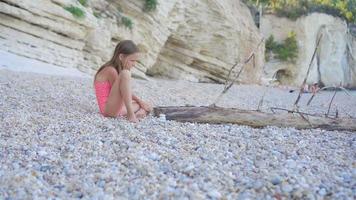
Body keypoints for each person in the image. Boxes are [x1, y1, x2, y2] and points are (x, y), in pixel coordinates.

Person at [94, 40, 152, 122]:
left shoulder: (117, 69)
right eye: (132, 60)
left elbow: (124, 92)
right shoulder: (110, 70)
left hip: (114, 107)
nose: (134, 64)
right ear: (121, 57)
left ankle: (140, 112)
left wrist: (141, 103)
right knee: (126, 73)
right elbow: (122, 92)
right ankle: (131, 115)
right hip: (108, 110)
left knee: (146, 105)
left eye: (136, 61)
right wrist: (140, 101)